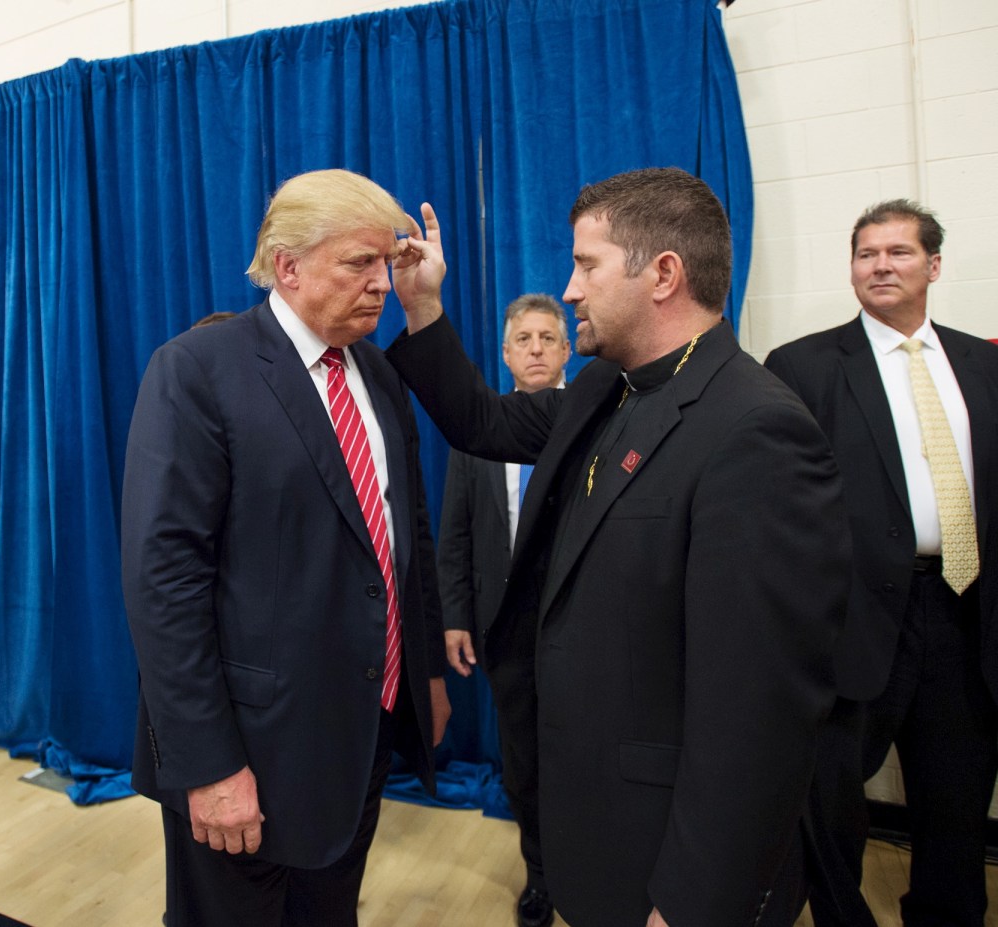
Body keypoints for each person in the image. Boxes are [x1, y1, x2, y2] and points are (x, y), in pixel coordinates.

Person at [384, 167, 849, 926]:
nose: (568, 290)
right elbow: (482, 424)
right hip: (598, 824)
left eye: (586, 265)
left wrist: (695, 899)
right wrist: (425, 306)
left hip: (672, 860)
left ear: (663, 273)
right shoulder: (609, 387)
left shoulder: (757, 431)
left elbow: (756, 716)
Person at [122, 168, 451, 927]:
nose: (381, 284)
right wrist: (207, 763)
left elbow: (406, 538)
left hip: (360, 726)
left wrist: (424, 670)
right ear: (288, 265)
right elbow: (162, 581)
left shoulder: (378, 372)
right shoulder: (198, 370)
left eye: (386, 262)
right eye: (359, 264)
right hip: (248, 749)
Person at [764, 200, 998, 927]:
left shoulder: (983, 362)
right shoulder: (801, 366)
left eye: (898, 252)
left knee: (955, 812)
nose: (880, 265)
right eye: (866, 252)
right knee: (830, 812)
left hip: (965, 617)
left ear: (933, 265)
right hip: (852, 623)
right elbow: (780, 510)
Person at [437, 293, 568, 927]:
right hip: (504, 628)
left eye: (549, 337)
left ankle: (597, 869)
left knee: (587, 758)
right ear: (507, 352)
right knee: (524, 762)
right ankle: (541, 876)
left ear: (568, 350)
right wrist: (456, 615)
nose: (537, 349)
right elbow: (455, 533)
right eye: (525, 339)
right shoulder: (477, 433)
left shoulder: (598, 418)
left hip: (583, 629)